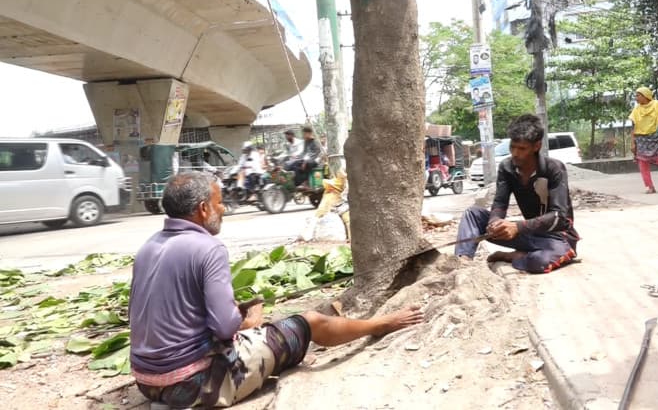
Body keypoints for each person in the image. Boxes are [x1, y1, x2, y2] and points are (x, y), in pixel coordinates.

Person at [129, 172, 424, 409]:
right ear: (203, 208)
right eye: (219, 202)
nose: (224, 208)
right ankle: (380, 324)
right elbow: (223, 327)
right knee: (308, 322)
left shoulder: (147, 248)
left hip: (147, 382)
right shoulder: (208, 248)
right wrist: (249, 321)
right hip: (195, 384)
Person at [454, 114, 579, 274]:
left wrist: (518, 227)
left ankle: (513, 256)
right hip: (528, 234)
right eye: (512, 146)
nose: (515, 153)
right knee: (473, 214)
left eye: (522, 148)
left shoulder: (554, 168)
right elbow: (500, 203)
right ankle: (462, 263)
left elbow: (559, 217)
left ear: (536, 146)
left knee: (539, 262)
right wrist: (495, 222)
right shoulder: (507, 167)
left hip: (557, 238)